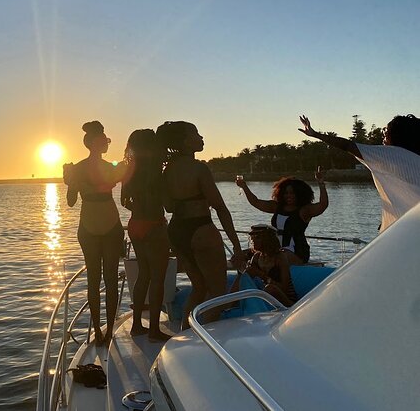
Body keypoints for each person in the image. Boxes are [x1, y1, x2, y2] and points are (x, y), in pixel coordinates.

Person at [156, 121, 245, 327]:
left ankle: (185, 333)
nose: (201, 137)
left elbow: (169, 207)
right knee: (217, 292)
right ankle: (207, 341)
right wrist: (237, 247)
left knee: (198, 287)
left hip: (177, 231)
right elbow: (220, 208)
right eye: (196, 133)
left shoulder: (166, 171)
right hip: (201, 229)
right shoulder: (199, 169)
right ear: (186, 142)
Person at [299, 114, 420, 232]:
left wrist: (315, 134)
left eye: (385, 133)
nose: (383, 138)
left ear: (396, 136)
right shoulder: (415, 158)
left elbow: (347, 146)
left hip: (406, 232)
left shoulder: (391, 154)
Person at [63, 121, 125, 346]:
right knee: (109, 280)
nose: (107, 143)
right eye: (105, 140)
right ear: (97, 143)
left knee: (94, 280)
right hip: (109, 223)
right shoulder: (110, 167)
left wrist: (70, 179)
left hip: (89, 225)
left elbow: (70, 202)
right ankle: (107, 330)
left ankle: (99, 330)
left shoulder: (77, 168)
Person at [121, 129, 172, 342]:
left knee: (143, 275)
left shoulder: (129, 170)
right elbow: (168, 204)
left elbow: (124, 201)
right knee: (158, 278)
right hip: (154, 225)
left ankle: (136, 326)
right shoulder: (156, 172)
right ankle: (153, 330)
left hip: (135, 224)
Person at [236, 169, 328, 263]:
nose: (288, 196)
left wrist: (321, 183)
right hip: (274, 250)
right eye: (286, 193)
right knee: (239, 255)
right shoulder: (276, 207)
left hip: (297, 252)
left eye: (292, 193)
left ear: (299, 194)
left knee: (279, 256)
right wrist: (244, 186)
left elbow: (323, 205)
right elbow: (255, 202)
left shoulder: (304, 210)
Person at [243, 224, 301, 307]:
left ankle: (257, 307)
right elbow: (248, 278)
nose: (253, 241)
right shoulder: (256, 257)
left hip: (286, 299)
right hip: (265, 295)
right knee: (243, 276)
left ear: (267, 240)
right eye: (253, 238)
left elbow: (284, 287)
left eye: (257, 238)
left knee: (270, 288)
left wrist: (262, 275)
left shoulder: (280, 257)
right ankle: (226, 306)